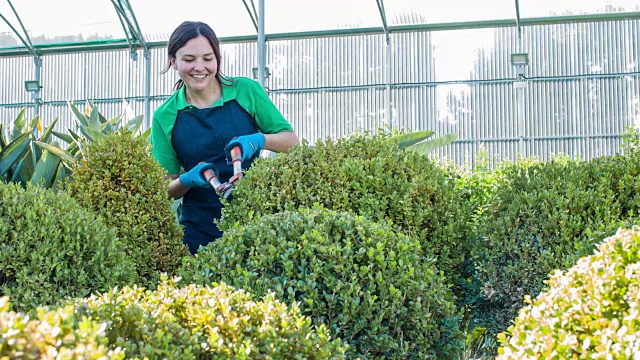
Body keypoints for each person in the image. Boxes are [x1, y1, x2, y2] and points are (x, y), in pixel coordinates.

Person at [150, 21, 299, 255]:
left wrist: (259, 140)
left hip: (256, 219)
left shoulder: (246, 91)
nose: (200, 67)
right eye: (189, 60)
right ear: (173, 61)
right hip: (199, 230)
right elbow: (164, 189)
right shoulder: (164, 116)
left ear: (217, 59)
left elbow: (291, 142)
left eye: (208, 58)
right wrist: (187, 180)